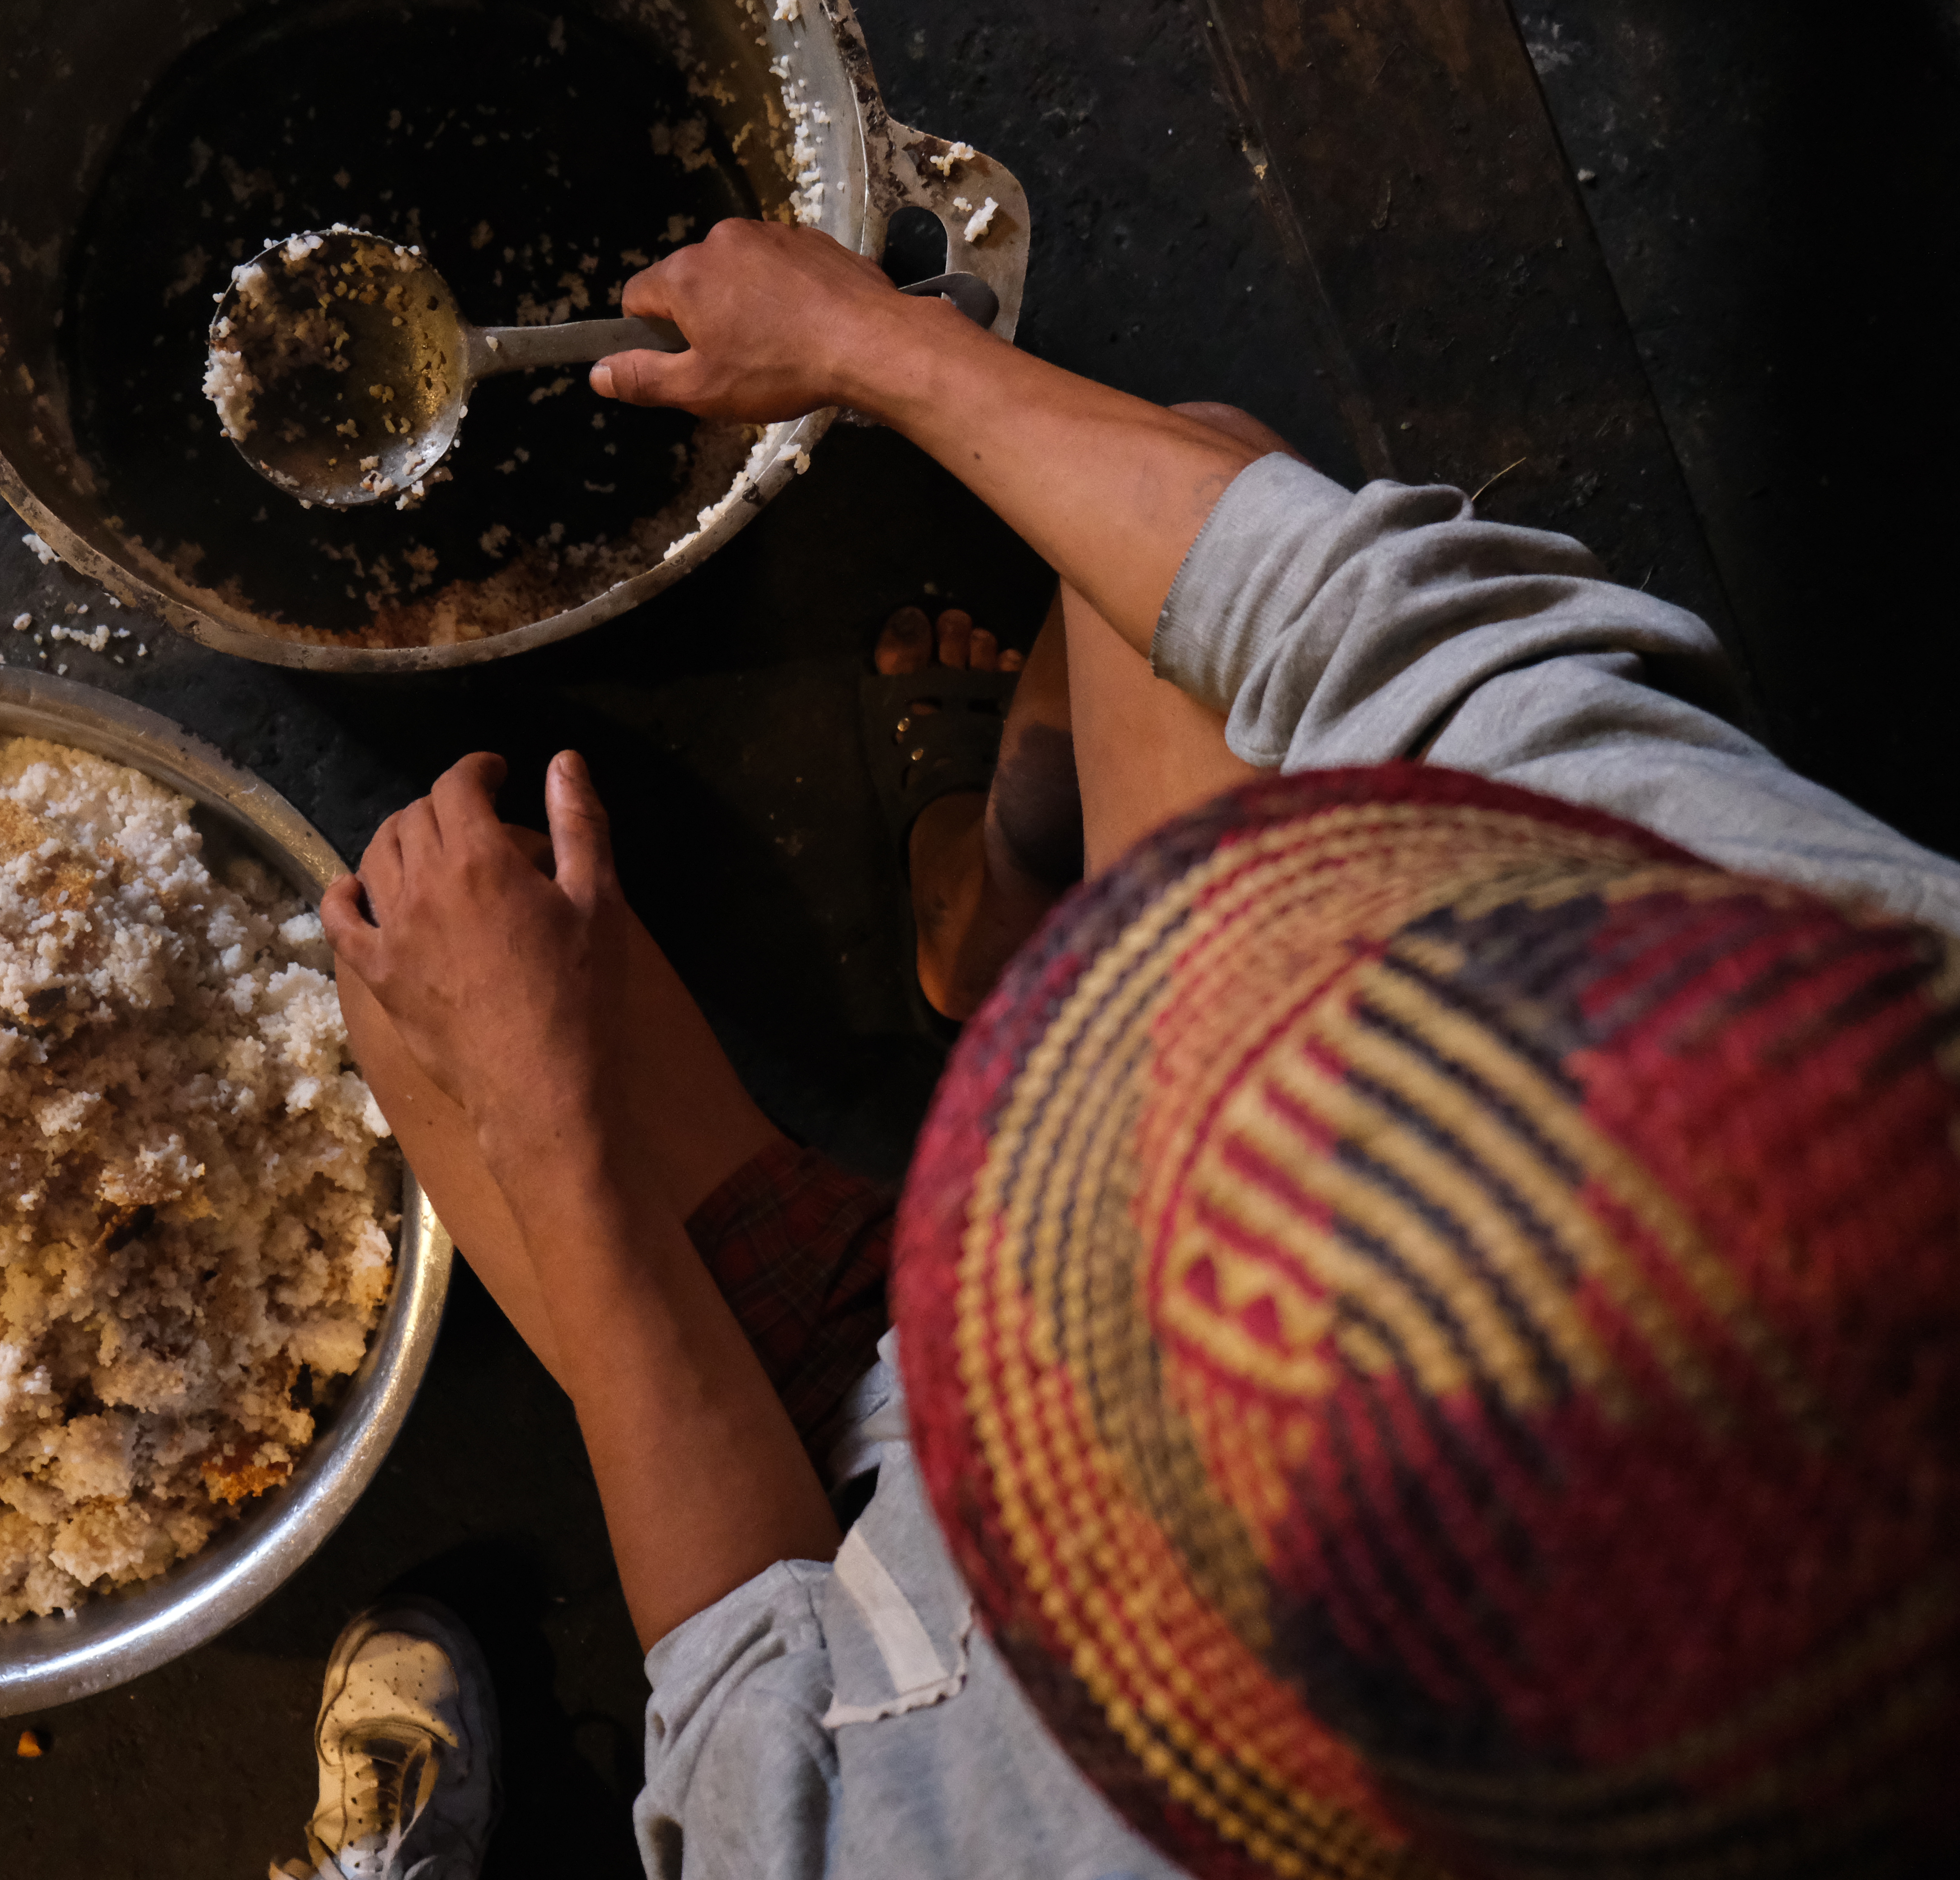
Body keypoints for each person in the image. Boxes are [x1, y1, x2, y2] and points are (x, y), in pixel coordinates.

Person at [269, 220, 1960, 1879]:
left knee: (417, 1019)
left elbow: (747, 1694)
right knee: (1191, 515)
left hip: (887, 1548)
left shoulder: (1018, 1830)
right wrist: (877, 346)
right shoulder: (1842, 974)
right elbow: (1334, 608)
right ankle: (988, 923)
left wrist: (550, 1115)